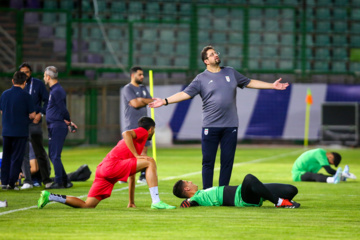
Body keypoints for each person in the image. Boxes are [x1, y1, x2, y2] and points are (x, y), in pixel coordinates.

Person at [149, 45, 289, 189]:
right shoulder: (201, 79)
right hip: (210, 126)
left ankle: (222, 192)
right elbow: (185, 94)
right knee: (208, 162)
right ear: (206, 61)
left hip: (230, 126)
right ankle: (208, 192)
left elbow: (249, 82)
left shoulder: (231, 72)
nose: (216, 55)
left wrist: (272, 86)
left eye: (216, 53)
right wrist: (164, 101)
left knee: (227, 162)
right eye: (211, 54)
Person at [38, 117, 175, 210]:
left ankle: (50, 196)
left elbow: (131, 176)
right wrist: (137, 156)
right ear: (151, 129)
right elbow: (126, 133)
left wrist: (131, 202)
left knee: (88, 205)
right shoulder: (143, 132)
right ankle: (156, 201)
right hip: (112, 166)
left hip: (103, 169)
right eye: (154, 130)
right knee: (150, 161)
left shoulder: (136, 144)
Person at [173, 174, 300, 208]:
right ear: (187, 189)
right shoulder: (196, 198)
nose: (190, 181)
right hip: (243, 199)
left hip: (246, 191)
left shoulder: (202, 193)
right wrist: (187, 201)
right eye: (187, 182)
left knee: (291, 190)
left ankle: (275, 200)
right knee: (249, 178)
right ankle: (279, 202)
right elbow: (187, 204)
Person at [19, 62, 53, 189]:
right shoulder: (18, 86)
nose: (24, 74)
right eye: (22, 72)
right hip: (22, 124)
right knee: (24, 152)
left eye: (26, 72)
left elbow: (47, 101)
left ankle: (44, 179)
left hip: (35, 124)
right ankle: (28, 180)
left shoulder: (37, 84)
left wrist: (41, 114)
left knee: (39, 151)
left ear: (30, 73)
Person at [43, 66, 77, 189]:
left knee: (54, 155)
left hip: (57, 126)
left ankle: (59, 182)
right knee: (53, 155)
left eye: (44, 76)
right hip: (55, 125)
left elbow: (63, 109)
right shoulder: (55, 90)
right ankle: (65, 180)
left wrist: (68, 121)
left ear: (48, 77)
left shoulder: (56, 91)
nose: (44, 78)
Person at [0, 71, 35, 190]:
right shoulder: (26, 96)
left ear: (13, 81)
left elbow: (1, 111)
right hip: (20, 132)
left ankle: (4, 182)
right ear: (24, 82)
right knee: (16, 158)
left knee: (6, 157)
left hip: (6, 131)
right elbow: (32, 115)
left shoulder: (4, 94)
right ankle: (11, 183)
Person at [122, 66, 153, 184]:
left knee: (144, 151)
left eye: (142, 74)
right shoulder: (127, 88)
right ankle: (124, 175)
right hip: (131, 124)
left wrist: (141, 100)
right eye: (139, 74)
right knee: (128, 152)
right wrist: (141, 100)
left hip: (144, 126)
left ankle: (143, 176)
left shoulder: (143, 88)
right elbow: (135, 103)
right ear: (132, 75)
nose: (142, 76)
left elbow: (151, 100)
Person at [292, 148, 356, 184]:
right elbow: (329, 170)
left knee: (320, 175)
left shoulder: (321, 155)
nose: (329, 164)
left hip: (305, 173)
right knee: (316, 176)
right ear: (330, 156)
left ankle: (340, 178)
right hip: (298, 174)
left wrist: (341, 175)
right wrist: (343, 173)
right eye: (331, 163)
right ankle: (333, 180)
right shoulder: (320, 153)